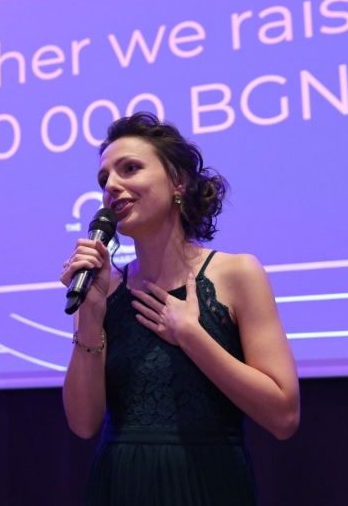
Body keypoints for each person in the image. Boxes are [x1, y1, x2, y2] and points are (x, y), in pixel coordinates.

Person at [61, 112, 299, 505]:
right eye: (104, 179)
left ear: (178, 182)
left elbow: (284, 416)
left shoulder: (238, 273)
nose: (111, 186)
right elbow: (84, 424)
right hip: (120, 485)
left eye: (130, 168)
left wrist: (190, 335)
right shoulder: (105, 288)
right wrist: (90, 314)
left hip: (207, 485)